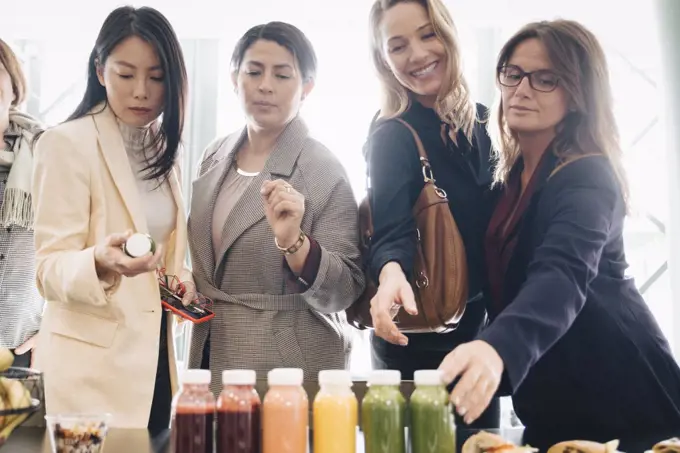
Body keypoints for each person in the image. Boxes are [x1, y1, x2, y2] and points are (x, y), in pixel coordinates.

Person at [438, 20, 680, 450]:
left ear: (578, 94)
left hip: (625, 400)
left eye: (545, 79)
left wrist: (497, 350)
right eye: (512, 74)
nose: (522, 88)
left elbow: (562, 275)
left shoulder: (588, 175)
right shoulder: (509, 179)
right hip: (555, 400)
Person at [32, 6, 193, 434]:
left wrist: (179, 279)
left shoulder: (163, 150)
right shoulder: (65, 144)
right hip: (86, 374)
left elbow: (156, 254)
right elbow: (47, 269)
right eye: (126, 74)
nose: (142, 91)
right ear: (100, 71)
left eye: (157, 77)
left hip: (155, 364)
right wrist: (98, 262)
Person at [187, 21, 365, 391]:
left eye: (282, 75)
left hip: (287, 361)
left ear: (307, 88)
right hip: (210, 351)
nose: (265, 85)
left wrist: (295, 242)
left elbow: (345, 289)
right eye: (254, 71)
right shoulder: (213, 155)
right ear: (235, 79)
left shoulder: (322, 168)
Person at [365, 0, 499, 428]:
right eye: (398, 45)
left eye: (428, 34)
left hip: (479, 332)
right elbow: (391, 228)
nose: (418, 55)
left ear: (449, 33)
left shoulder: (485, 121)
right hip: (420, 335)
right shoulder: (392, 130)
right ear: (384, 59)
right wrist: (391, 272)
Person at [0, 39, 44, 369]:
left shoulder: (46, 155)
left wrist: (54, 329)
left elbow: (73, 251)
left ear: (13, 85)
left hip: (21, 350)